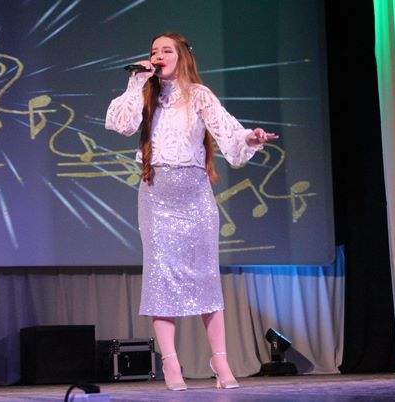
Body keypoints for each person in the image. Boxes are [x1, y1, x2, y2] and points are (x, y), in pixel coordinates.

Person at [105, 32, 279, 391]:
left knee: (205, 278)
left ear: (182, 56)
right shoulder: (145, 94)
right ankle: (171, 363)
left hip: (195, 196)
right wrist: (136, 81)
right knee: (161, 278)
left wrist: (251, 138)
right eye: (154, 51)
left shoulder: (200, 95)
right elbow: (121, 124)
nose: (158, 55)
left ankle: (221, 362)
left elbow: (229, 134)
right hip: (157, 195)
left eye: (166, 50)